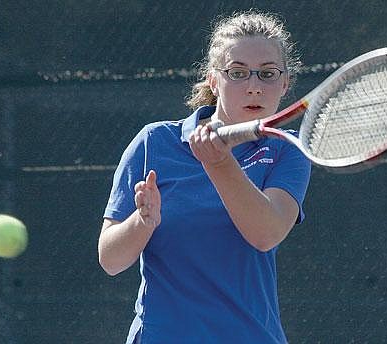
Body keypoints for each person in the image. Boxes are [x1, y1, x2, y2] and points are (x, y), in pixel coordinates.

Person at [98, 10, 311, 344]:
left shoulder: (287, 149)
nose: (254, 87)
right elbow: (110, 259)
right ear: (214, 80)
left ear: (284, 83)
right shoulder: (154, 142)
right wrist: (142, 222)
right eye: (238, 73)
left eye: (268, 74)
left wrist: (218, 163)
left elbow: (266, 233)